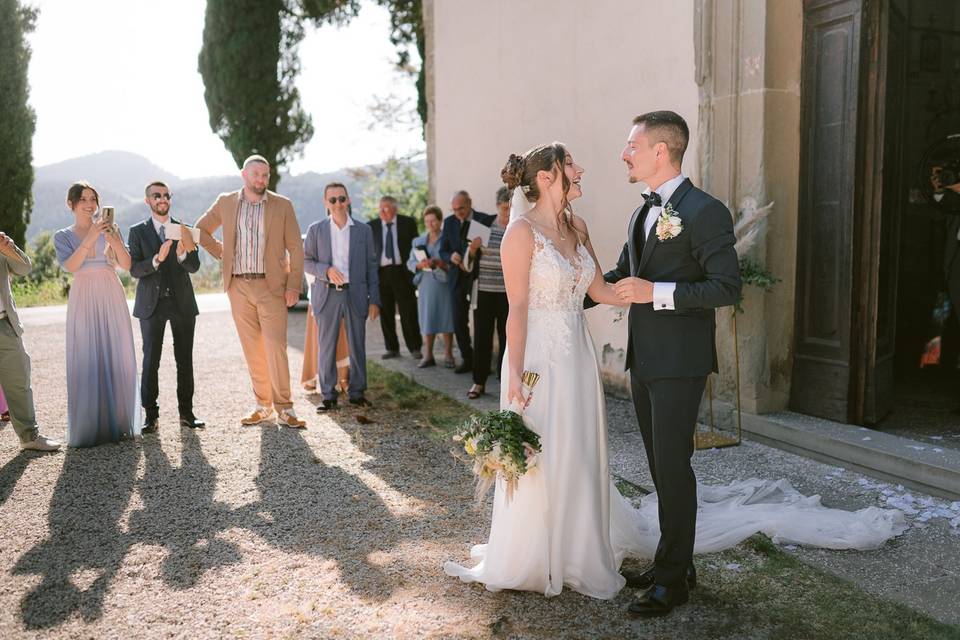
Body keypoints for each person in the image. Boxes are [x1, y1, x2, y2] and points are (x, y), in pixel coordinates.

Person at [444, 138, 906, 611]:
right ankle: (536, 553)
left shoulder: (576, 227)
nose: (585, 168)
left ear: (660, 150)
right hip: (541, 357)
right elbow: (518, 308)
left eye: (631, 147)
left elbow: (602, 289)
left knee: (581, 450)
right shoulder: (524, 233)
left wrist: (648, 290)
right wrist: (515, 373)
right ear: (547, 178)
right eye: (571, 165)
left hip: (580, 358)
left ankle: (584, 549)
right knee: (543, 449)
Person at [196, 155, 306, 428]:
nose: (261, 180)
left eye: (265, 175)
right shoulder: (226, 202)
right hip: (238, 286)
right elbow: (201, 230)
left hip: (272, 287)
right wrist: (223, 253)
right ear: (244, 174)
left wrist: (294, 285)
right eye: (256, 174)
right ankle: (263, 405)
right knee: (252, 348)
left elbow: (295, 247)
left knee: (275, 346)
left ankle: (285, 407)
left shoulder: (282, 205)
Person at [54, 182, 141, 447]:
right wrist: (91, 236)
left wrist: (113, 238)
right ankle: (90, 427)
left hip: (111, 293)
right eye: (82, 199)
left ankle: (120, 422)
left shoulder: (109, 230)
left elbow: (126, 265)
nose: (89, 204)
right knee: (87, 353)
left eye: (93, 199)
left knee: (116, 352)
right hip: (83, 296)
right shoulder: (62, 236)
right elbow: (71, 266)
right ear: (71, 204)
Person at [128, 181, 205, 431]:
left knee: (185, 359)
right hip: (152, 305)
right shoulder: (137, 231)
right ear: (147, 200)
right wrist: (157, 259)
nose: (162, 199)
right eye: (156, 195)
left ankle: (187, 413)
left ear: (170, 199)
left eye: (165, 195)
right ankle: (151, 416)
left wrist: (183, 253)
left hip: (182, 303)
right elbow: (135, 269)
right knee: (151, 360)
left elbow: (194, 266)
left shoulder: (186, 229)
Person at [303, 183, 380, 412]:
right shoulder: (316, 230)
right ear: (326, 203)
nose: (338, 203)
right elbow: (306, 262)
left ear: (348, 201)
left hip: (355, 294)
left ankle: (357, 393)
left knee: (358, 345)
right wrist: (326, 270)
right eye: (332, 200)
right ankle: (328, 395)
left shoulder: (363, 231)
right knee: (326, 345)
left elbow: (371, 267)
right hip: (326, 295)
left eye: (341, 198)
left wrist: (374, 299)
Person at [0, 232, 61, 451]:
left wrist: (11, 249)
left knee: (19, 382)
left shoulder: (0, 243)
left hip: (5, 324)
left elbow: (24, 268)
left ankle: (29, 436)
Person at [462, 187, 511, 398]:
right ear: (497, 206)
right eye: (504, 208)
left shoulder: (518, 228)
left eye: (511, 208)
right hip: (483, 291)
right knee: (482, 337)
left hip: (509, 293)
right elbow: (466, 265)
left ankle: (505, 382)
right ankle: (478, 382)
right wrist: (472, 250)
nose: (508, 212)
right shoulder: (483, 226)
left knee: (508, 337)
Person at [439, 191, 495, 373]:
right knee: (458, 320)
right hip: (457, 278)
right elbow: (443, 250)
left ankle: (482, 362)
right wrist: (451, 256)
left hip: (480, 277)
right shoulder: (448, 222)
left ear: (470, 203)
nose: (458, 213)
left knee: (482, 322)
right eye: (454, 209)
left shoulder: (485, 220)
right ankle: (467, 357)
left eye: (461, 208)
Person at [369, 196, 422, 359]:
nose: (382, 211)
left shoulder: (408, 223)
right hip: (382, 273)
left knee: (408, 311)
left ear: (395, 209)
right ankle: (392, 348)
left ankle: (415, 347)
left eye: (386, 208)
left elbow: (417, 247)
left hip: (402, 272)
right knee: (386, 312)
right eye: (380, 208)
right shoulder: (372, 226)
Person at [407, 205, 455, 368]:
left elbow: (452, 261)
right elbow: (410, 262)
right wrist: (419, 265)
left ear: (440, 221)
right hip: (425, 283)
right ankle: (428, 355)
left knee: (446, 317)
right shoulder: (418, 240)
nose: (430, 224)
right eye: (427, 221)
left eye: (433, 220)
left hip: (444, 283)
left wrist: (440, 263)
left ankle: (448, 354)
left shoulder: (447, 239)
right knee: (427, 318)